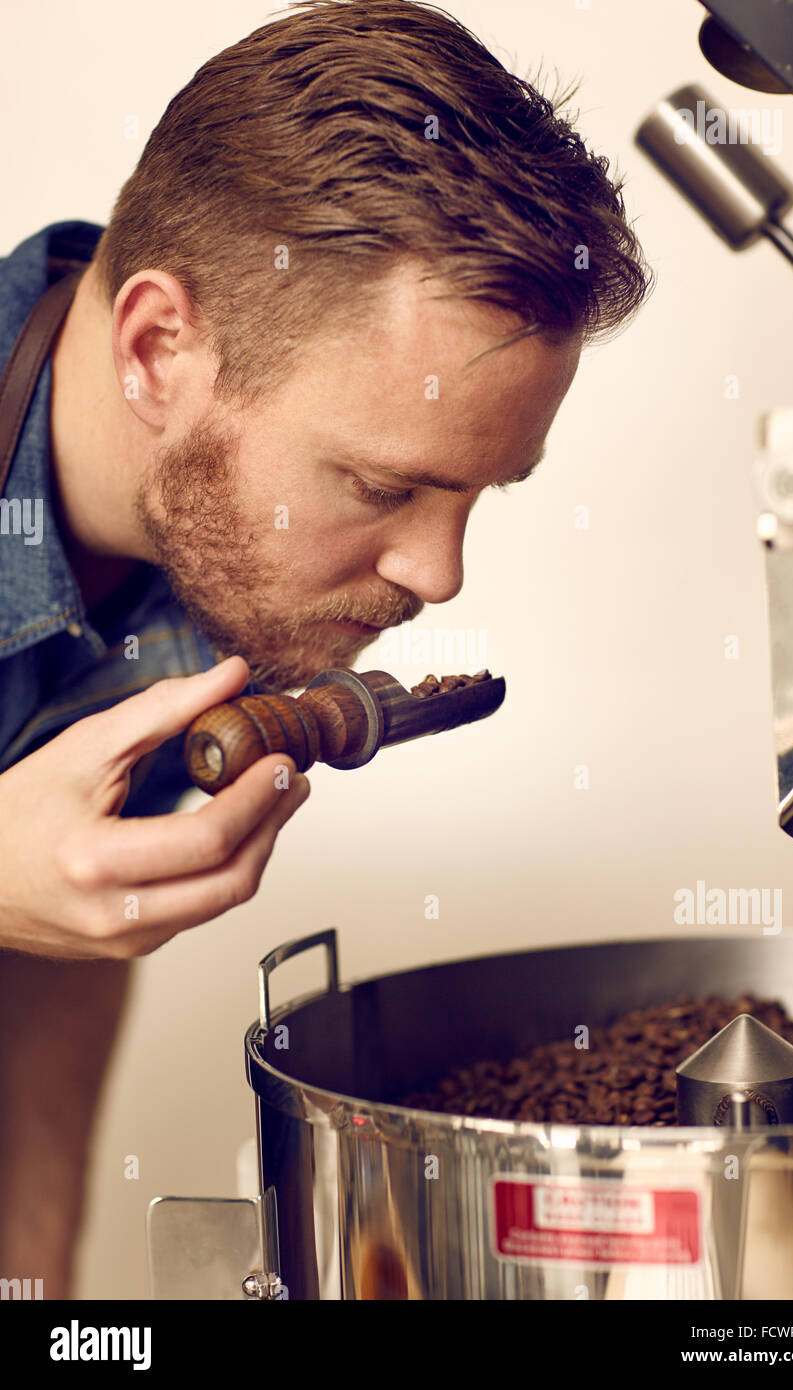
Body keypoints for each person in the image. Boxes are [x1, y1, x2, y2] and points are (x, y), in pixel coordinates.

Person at [0, 0, 651, 1298]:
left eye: (481, 494)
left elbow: (48, 939)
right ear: (157, 349)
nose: (438, 572)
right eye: (377, 485)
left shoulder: (193, 557)